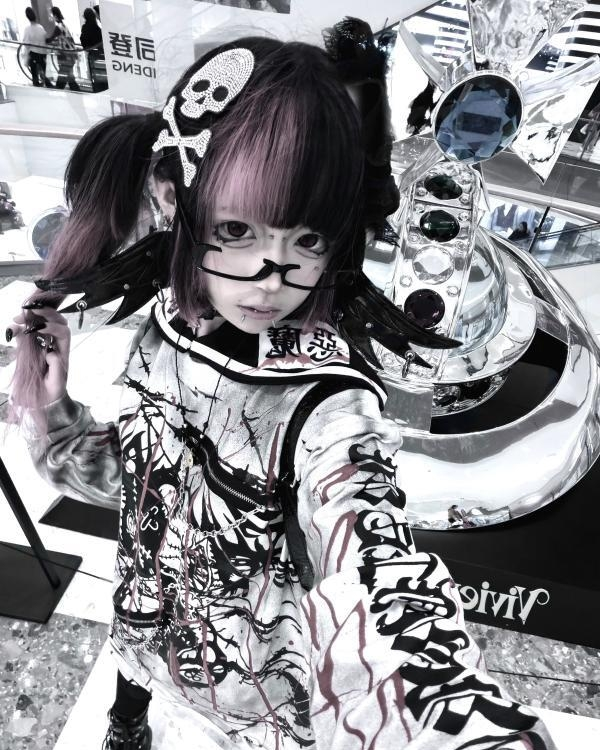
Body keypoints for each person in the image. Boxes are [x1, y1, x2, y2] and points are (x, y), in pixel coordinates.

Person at [8, 23, 557, 750]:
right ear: (173, 200)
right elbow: (144, 487)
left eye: (309, 238)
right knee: (130, 673)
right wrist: (55, 415)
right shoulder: (175, 321)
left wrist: (445, 716)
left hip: (256, 699)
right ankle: (127, 717)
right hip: (145, 620)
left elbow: (370, 551)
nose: (274, 278)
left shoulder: (327, 400)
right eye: (239, 230)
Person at [46, 6, 81, 92]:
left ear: (55, 15)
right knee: (69, 76)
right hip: (71, 54)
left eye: (51, 15)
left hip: (65, 55)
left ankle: (58, 90)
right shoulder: (64, 25)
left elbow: (50, 39)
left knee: (63, 75)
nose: (50, 17)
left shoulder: (58, 27)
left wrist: (43, 39)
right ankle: (76, 91)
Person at [22, 7, 52, 88]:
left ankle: (37, 85)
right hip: (42, 53)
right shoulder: (40, 27)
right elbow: (45, 39)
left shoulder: (27, 29)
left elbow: (26, 44)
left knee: (34, 73)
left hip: (33, 53)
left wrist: (26, 54)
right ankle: (48, 84)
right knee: (44, 69)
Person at [80, 7, 106, 93]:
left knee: (95, 76)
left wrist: (88, 47)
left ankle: (98, 92)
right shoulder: (98, 28)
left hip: (92, 56)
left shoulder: (85, 28)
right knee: (103, 75)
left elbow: (83, 42)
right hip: (101, 55)